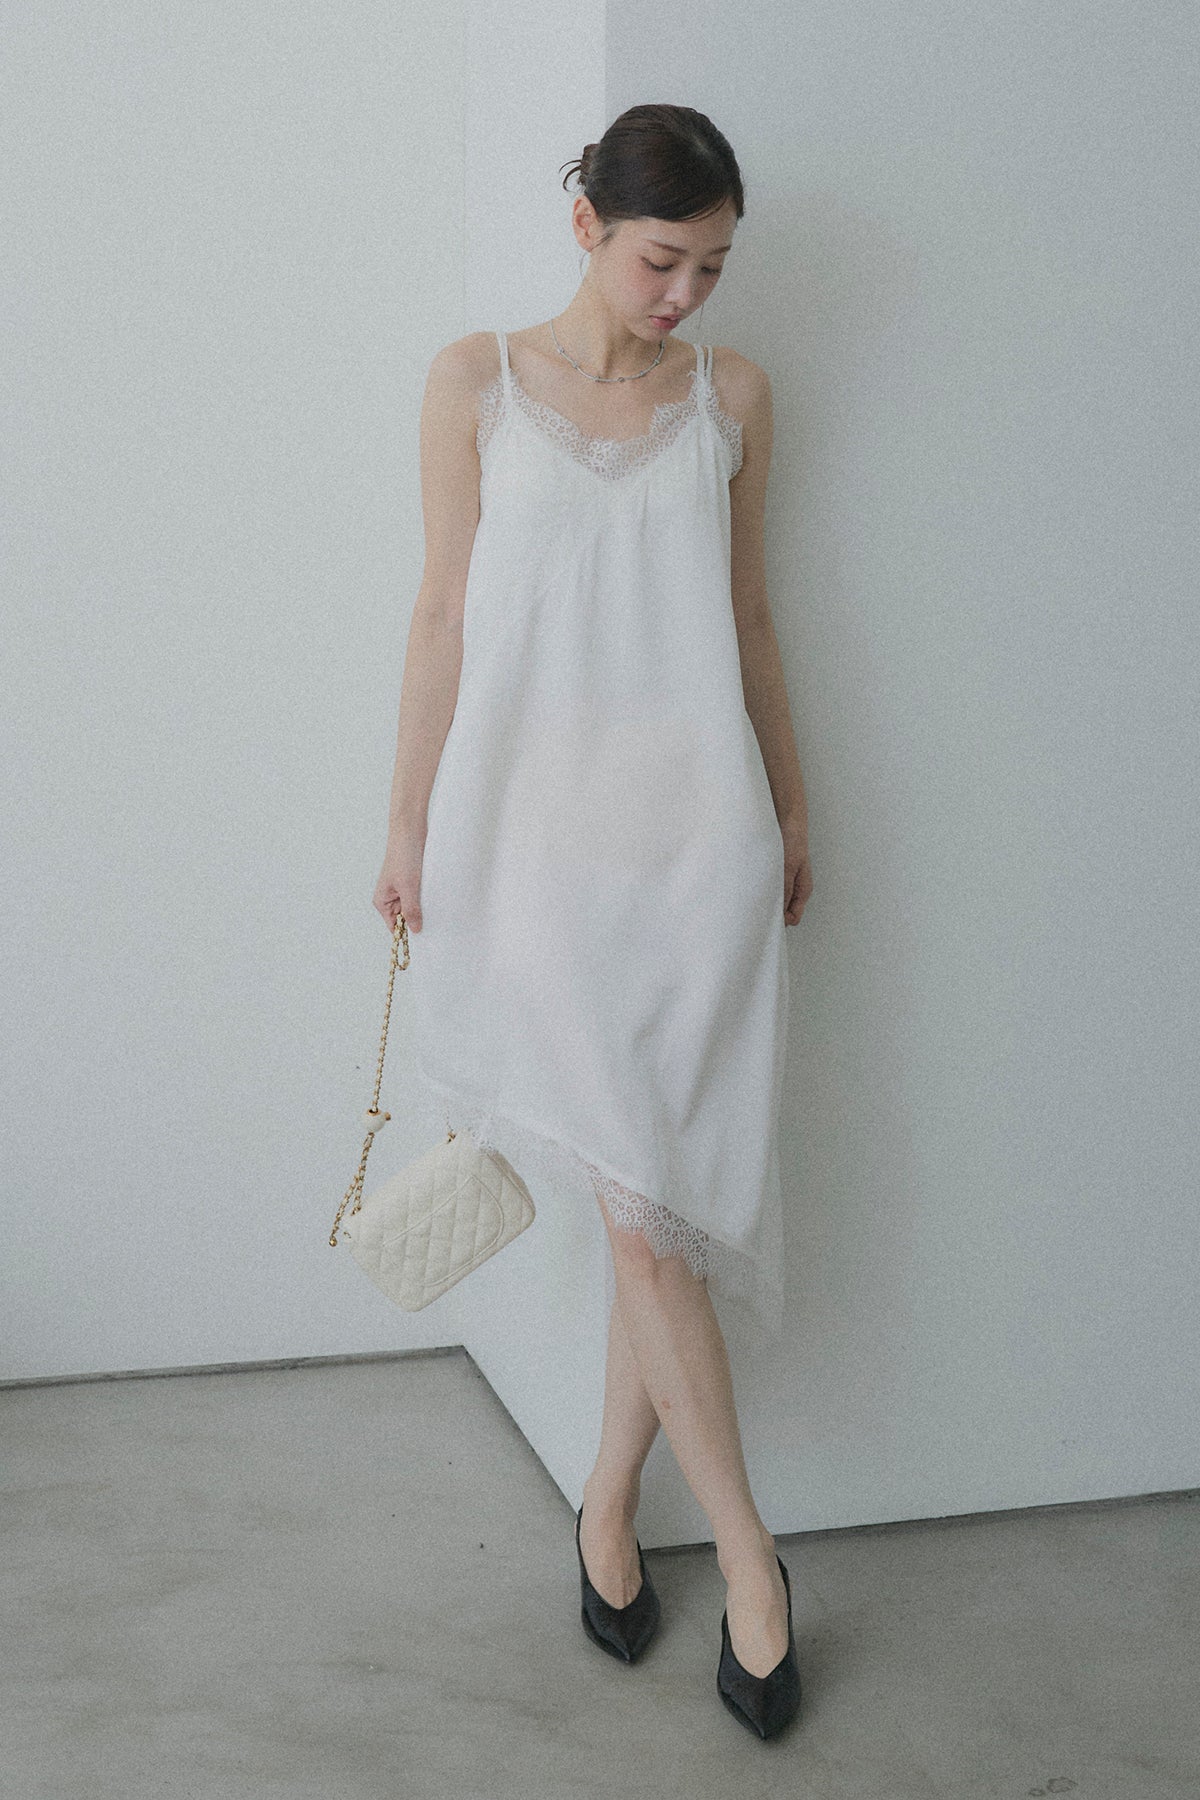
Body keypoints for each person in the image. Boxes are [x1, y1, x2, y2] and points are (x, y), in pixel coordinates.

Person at [373, 103, 813, 1739]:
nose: (685, 294)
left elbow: (748, 614)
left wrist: (794, 805)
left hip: (699, 849)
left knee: (658, 1205)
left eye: (712, 267)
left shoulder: (734, 396)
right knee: (642, 1208)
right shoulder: (474, 383)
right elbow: (441, 611)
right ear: (586, 226)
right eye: (661, 260)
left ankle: (609, 1508)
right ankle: (754, 1563)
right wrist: (408, 820)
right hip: (538, 853)